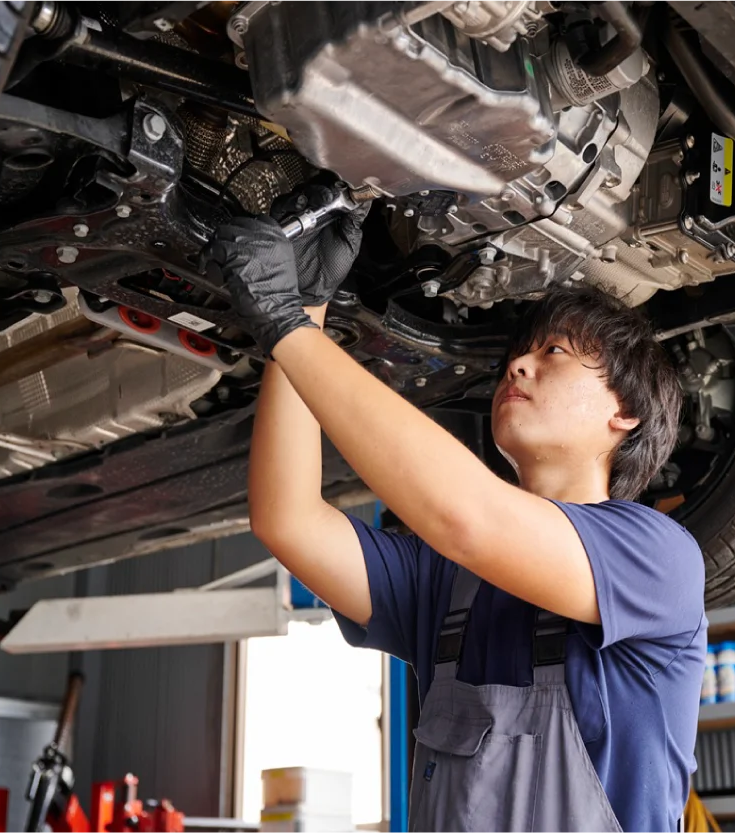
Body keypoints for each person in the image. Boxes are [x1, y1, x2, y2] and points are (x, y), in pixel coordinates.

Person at [205, 204, 707, 833]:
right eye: (518, 355)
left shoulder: (658, 559)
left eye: (553, 352)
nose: (517, 366)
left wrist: (285, 327)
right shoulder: (448, 582)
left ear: (625, 412)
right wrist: (306, 310)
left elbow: (468, 518)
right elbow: (290, 521)